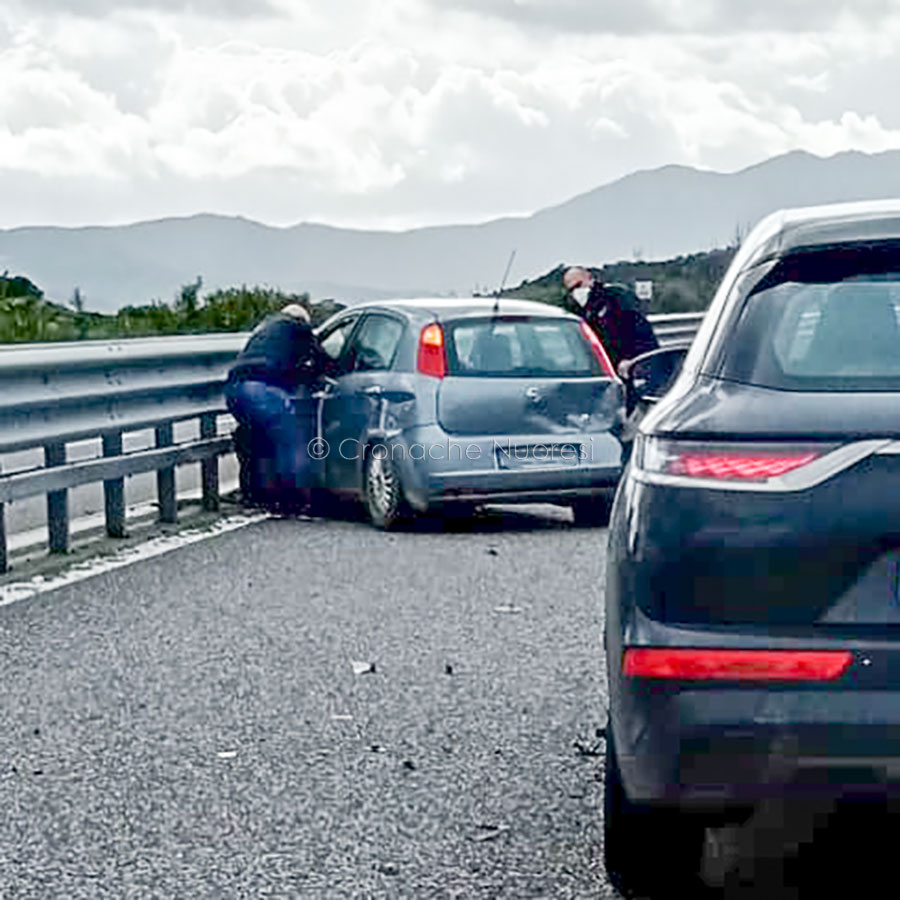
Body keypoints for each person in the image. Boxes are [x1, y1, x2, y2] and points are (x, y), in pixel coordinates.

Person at [224, 303, 331, 512]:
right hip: (261, 390)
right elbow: (321, 360)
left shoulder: (265, 327)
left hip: (234, 390)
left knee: (255, 439)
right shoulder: (299, 328)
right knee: (291, 440)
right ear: (303, 320)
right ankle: (295, 501)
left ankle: (256, 496)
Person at [562, 267, 658, 373]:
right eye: (571, 289)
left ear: (589, 278)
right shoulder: (574, 307)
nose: (576, 291)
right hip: (602, 365)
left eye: (579, 285)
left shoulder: (616, 296)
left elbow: (637, 328)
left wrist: (631, 358)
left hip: (632, 361)